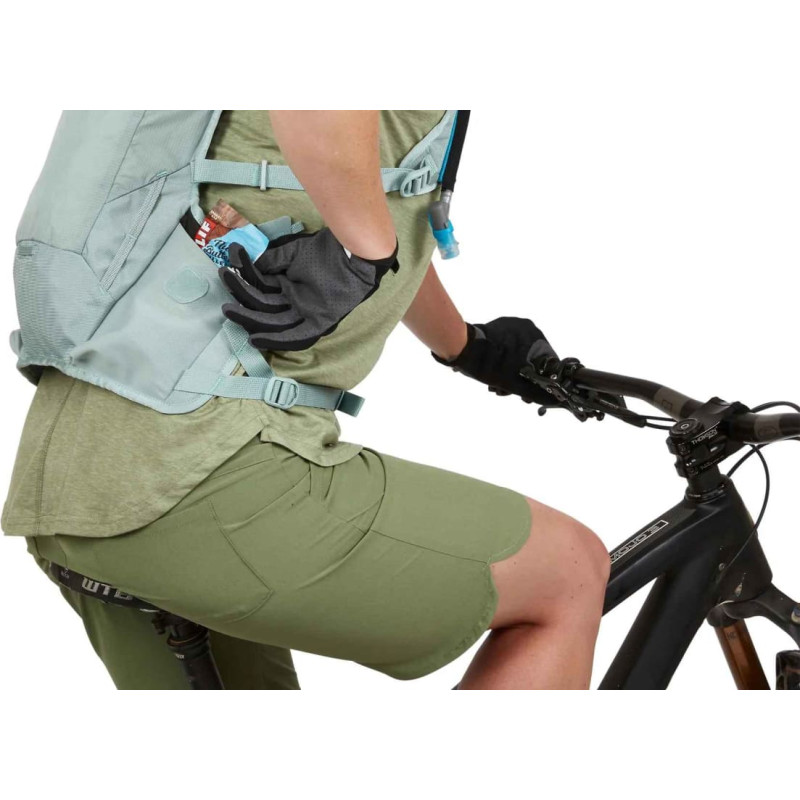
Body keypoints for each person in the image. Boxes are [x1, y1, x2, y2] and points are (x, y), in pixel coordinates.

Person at [2, 111, 610, 689]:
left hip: (75, 480)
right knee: (568, 571)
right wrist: (365, 252)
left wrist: (468, 348)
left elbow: (363, 215)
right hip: (200, 472)